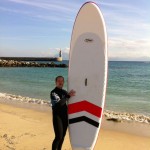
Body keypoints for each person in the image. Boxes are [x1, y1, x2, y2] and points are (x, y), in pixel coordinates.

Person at [50, 76, 75, 150]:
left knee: (63, 137)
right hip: (57, 117)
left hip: (64, 117)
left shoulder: (64, 92)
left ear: (63, 82)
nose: (60, 82)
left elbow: (70, 99)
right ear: (56, 82)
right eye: (59, 81)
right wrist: (68, 96)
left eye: (62, 81)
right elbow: (59, 104)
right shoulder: (53, 92)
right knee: (58, 137)